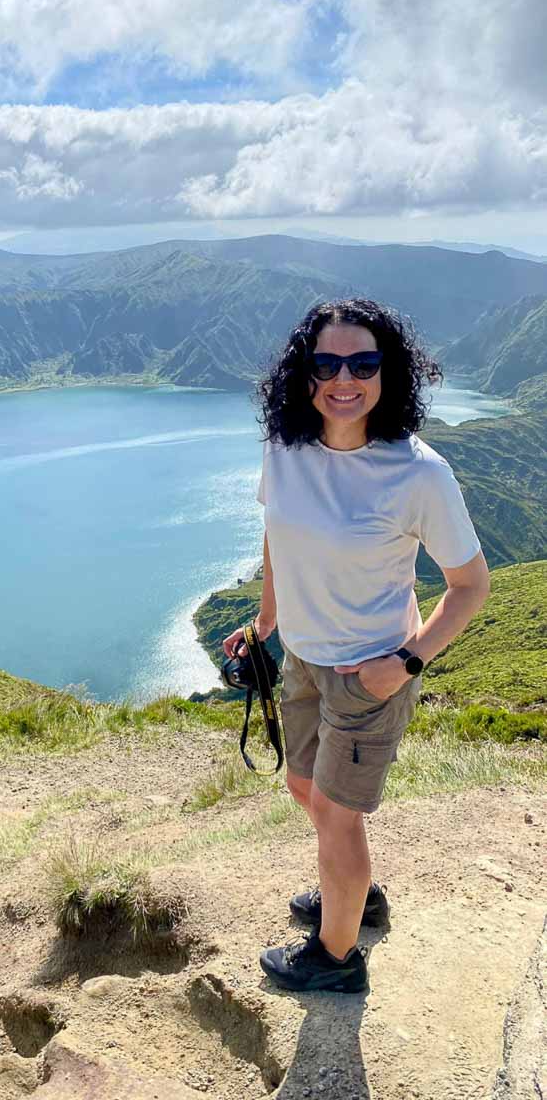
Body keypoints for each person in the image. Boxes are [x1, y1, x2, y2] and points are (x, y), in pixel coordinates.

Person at [222, 297, 490, 993]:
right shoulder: (286, 453)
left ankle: (337, 960)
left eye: (364, 362)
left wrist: (403, 663)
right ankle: (355, 894)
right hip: (304, 660)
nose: (346, 377)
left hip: (371, 674)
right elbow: (278, 537)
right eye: (328, 362)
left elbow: (470, 586)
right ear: (303, 374)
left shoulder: (419, 473)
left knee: (339, 817)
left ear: (388, 372)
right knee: (304, 785)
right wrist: (266, 622)